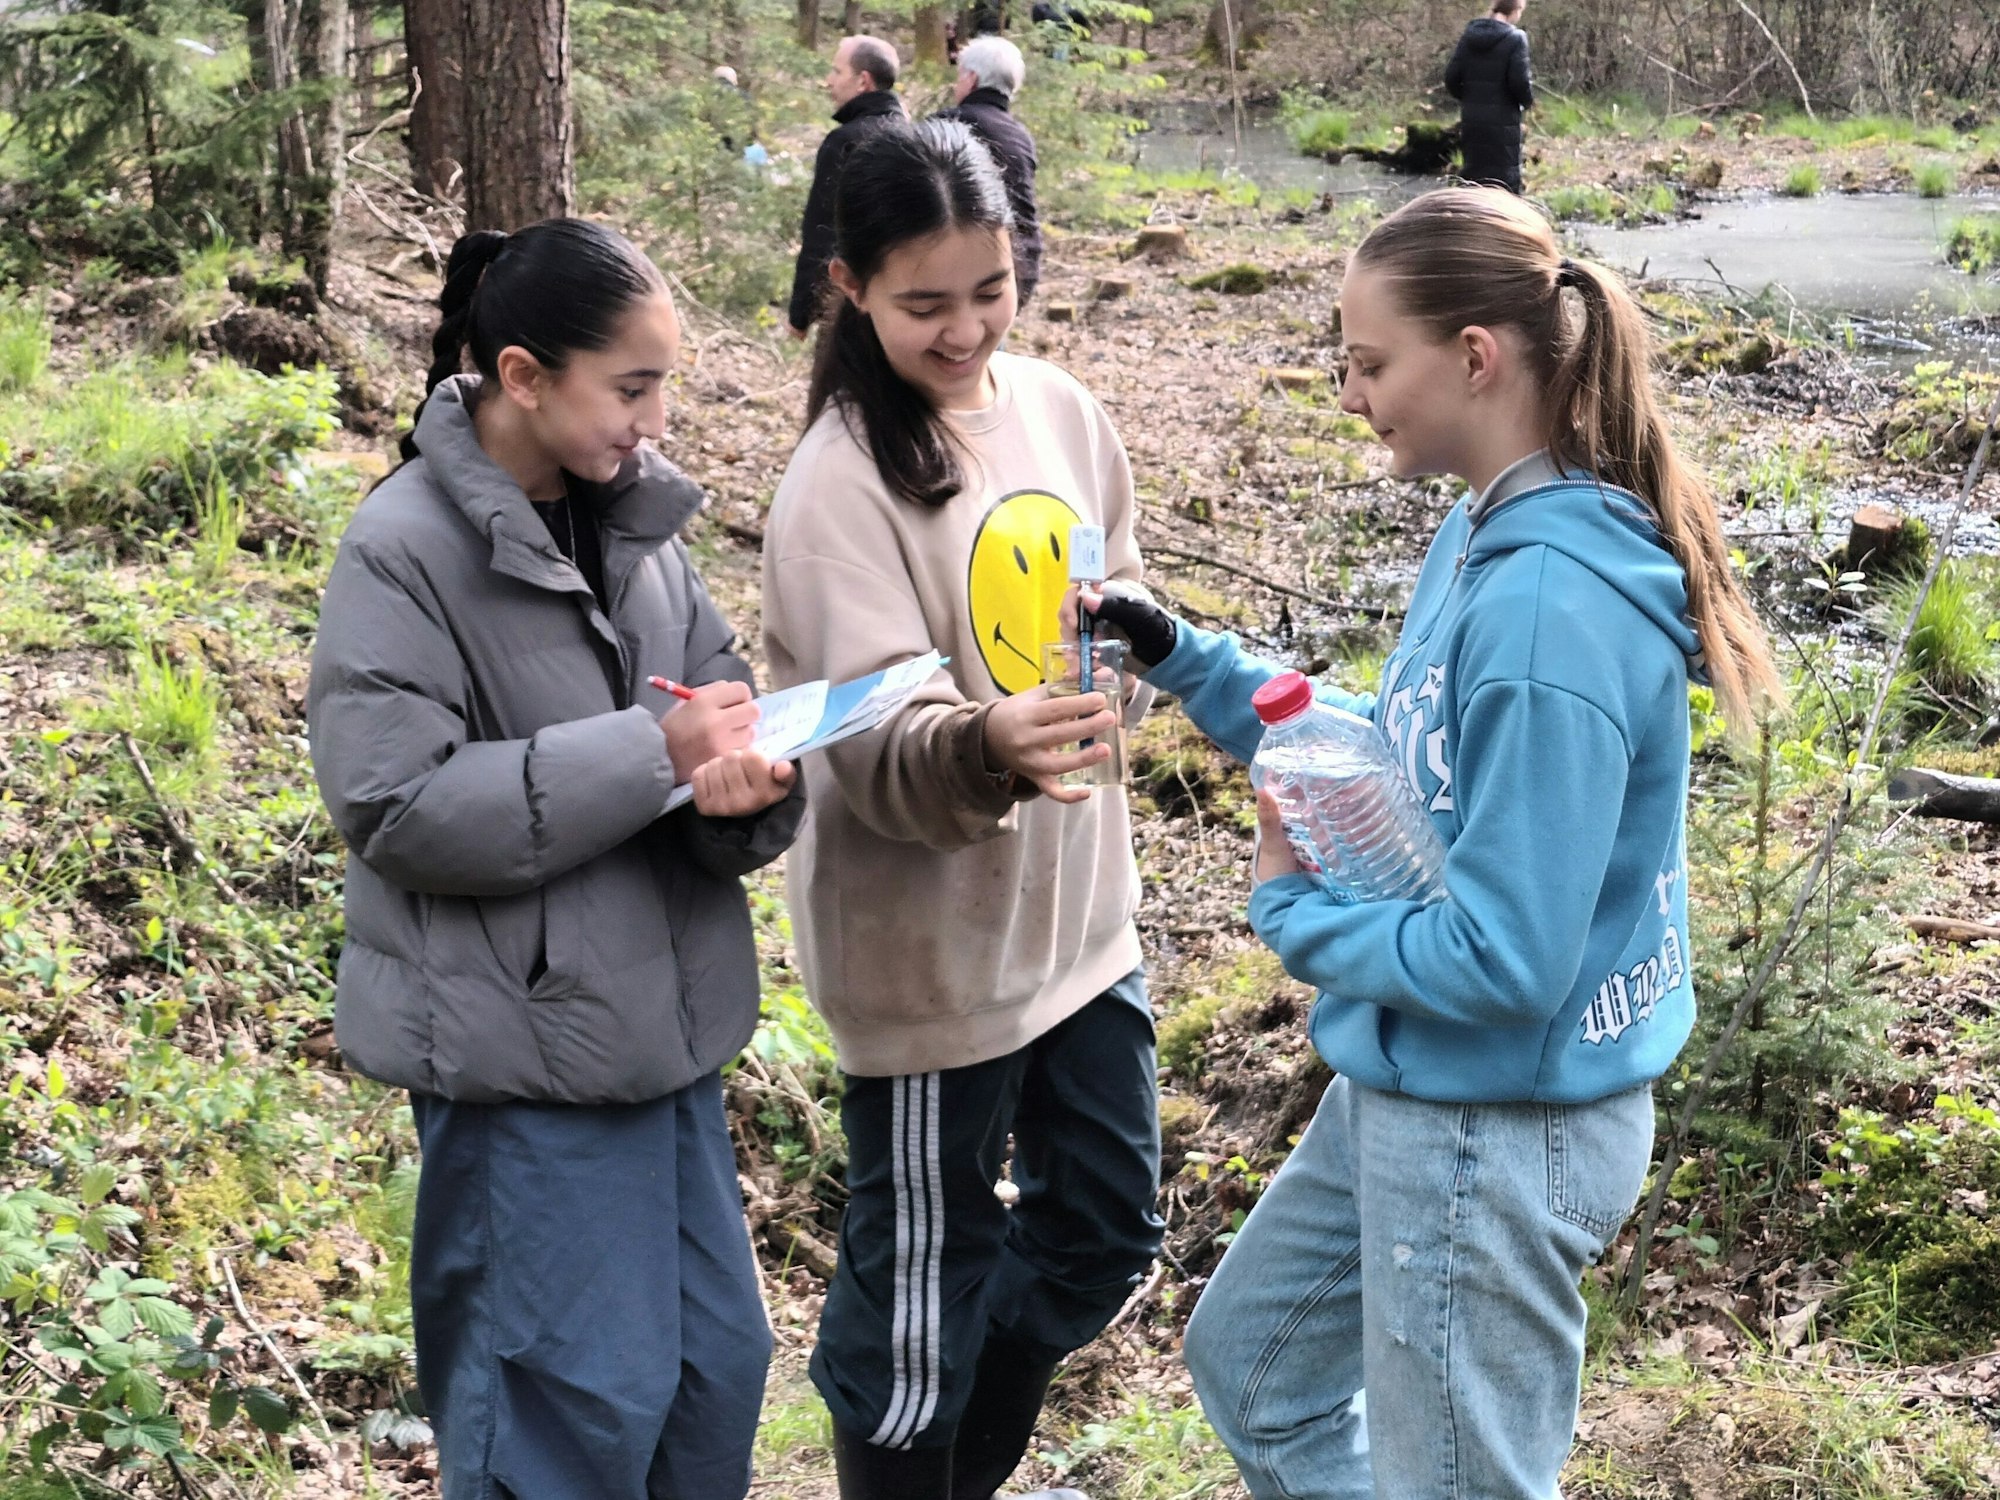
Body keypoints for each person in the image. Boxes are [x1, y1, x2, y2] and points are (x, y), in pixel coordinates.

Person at [1080, 187, 1781, 1499]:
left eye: (1367, 359)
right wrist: (1192, 662)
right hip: (1424, 1090)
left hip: (1496, 1128)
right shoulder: (1482, 534)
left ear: (1475, 357)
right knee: (1257, 1371)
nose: (1347, 390)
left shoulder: (1544, 615)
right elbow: (1409, 751)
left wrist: (1290, 920)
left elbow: (1509, 959)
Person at [307, 219, 804, 1500]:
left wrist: (738, 788)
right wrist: (654, 754)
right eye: (630, 387)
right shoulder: (402, 548)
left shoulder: (638, 530)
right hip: (520, 1067)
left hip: (666, 1045)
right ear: (523, 375)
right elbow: (396, 805)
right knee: (562, 1413)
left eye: (662, 386)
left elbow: (714, 700)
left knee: (709, 1378)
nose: (653, 418)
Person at [762, 119, 1163, 1500]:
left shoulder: (1059, 412)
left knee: (1106, 1232)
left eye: (990, 291)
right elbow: (865, 733)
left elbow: (1117, 611)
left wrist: (1127, 670)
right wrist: (988, 741)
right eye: (925, 302)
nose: (965, 330)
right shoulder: (835, 484)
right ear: (850, 287)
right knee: (919, 1312)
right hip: (932, 961)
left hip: (1081, 931)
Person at [787, 35, 907, 339]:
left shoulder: (846, 142)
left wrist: (802, 313)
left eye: (837, 71)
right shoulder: (914, 136)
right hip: (905, 304)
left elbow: (823, 230)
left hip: (851, 305)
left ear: (863, 81)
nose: (828, 81)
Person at [936, 35, 1044, 306]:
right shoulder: (1020, 136)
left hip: (964, 274)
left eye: (959, 76)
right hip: (1020, 266)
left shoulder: (946, 126)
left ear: (971, 79)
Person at [1445, 0, 1534, 193]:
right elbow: (1520, 83)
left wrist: (1471, 100)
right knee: (1504, 183)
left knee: (1474, 180)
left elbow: (1451, 78)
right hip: (1503, 122)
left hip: (1472, 120)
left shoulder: (1469, 36)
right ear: (1515, 10)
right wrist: (1527, 102)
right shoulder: (1516, 38)